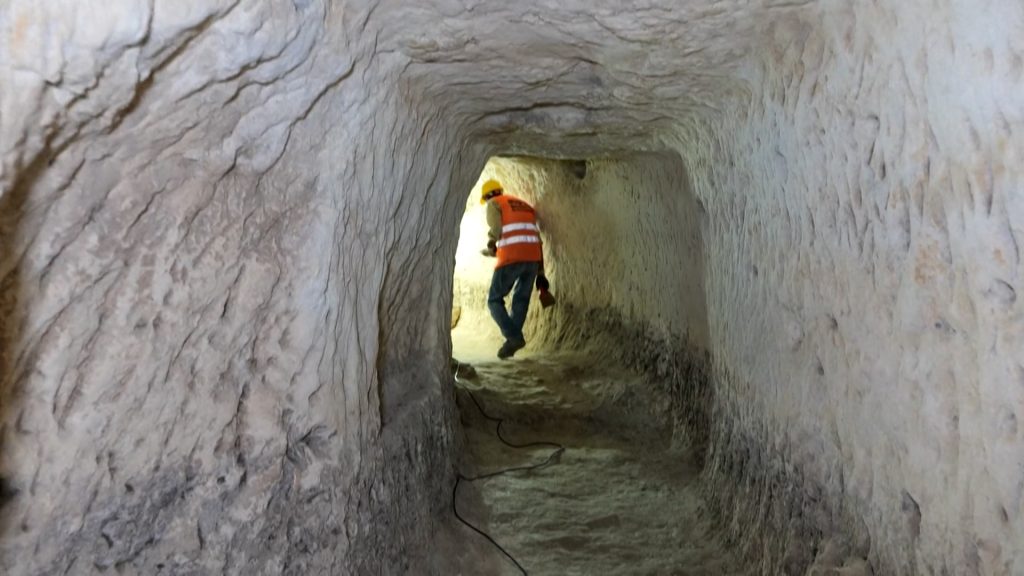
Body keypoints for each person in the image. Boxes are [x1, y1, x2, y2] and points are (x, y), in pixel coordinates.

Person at [478, 179, 550, 359]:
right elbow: (534, 238)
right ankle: (512, 342)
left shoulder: (495, 203)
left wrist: (491, 243)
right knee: (521, 300)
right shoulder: (524, 206)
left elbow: (497, 227)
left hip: (511, 257)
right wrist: (541, 271)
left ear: (488, 196)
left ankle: (514, 337)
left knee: (494, 300)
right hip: (533, 259)